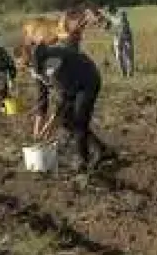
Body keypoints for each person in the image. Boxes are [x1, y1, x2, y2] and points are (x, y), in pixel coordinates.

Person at [29, 43, 109, 172]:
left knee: (79, 121)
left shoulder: (55, 63)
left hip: (88, 81)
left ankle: (83, 161)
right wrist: (37, 131)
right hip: (72, 85)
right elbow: (42, 99)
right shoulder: (36, 67)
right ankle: (101, 149)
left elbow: (64, 97)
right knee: (66, 121)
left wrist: (50, 123)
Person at [103, 6, 135, 78]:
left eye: (124, 15)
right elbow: (107, 26)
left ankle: (130, 73)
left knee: (128, 55)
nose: (123, 17)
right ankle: (123, 73)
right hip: (117, 38)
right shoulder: (112, 18)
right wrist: (107, 27)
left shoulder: (122, 18)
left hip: (126, 38)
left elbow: (124, 27)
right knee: (119, 56)